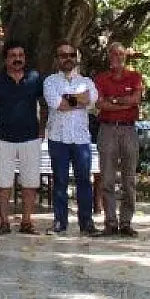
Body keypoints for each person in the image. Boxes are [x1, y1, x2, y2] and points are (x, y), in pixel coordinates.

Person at [0, 42, 44, 235]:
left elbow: (43, 105)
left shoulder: (35, 78)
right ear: (6, 58)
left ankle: (27, 222)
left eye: (21, 55)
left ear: (25, 58)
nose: (17, 59)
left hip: (31, 137)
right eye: (13, 55)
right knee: (3, 182)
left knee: (30, 182)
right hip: (3, 138)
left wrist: (42, 129)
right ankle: (4, 222)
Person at [43, 41, 99, 235]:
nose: (68, 58)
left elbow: (91, 100)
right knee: (60, 181)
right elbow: (58, 104)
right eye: (63, 55)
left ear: (76, 58)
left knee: (84, 181)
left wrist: (68, 98)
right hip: (58, 138)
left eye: (71, 55)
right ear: (57, 59)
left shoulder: (87, 82)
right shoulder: (50, 81)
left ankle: (87, 223)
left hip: (81, 139)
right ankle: (60, 221)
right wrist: (78, 99)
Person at [93, 42, 145, 236]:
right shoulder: (101, 78)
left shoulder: (135, 76)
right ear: (108, 55)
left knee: (129, 178)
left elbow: (135, 100)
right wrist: (123, 102)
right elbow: (100, 104)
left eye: (121, 54)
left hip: (129, 130)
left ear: (126, 56)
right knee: (106, 178)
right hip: (107, 130)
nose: (117, 57)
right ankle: (110, 222)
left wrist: (113, 101)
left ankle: (126, 222)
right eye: (114, 53)